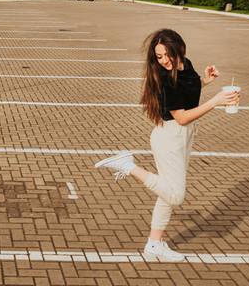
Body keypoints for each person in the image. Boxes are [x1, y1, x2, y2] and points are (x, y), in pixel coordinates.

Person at [95, 28, 239, 262]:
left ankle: (154, 244)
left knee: (167, 194)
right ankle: (128, 166)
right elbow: (181, 117)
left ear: (180, 49)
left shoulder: (186, 64)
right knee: (175, 195)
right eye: (159, 57)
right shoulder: (165, 79)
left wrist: (204, 81)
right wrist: (216, 101)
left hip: (184, 136)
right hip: (171, 137)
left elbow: (188, 94)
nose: (163, 61)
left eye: (166, 55)